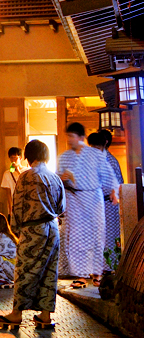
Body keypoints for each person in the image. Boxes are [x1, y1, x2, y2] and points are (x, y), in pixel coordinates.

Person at [0, 139, 65, 328]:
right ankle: (45, 316)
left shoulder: (26, 177)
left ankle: (17, 313)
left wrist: (16, 230)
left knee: (25, 270)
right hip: (53, 228)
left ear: (28, 156)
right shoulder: (55, 177)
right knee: (49, 271)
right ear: (46, 156)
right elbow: (62, 207)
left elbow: (17, 207)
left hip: (33, 229)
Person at [57, 123, 118, 288]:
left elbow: (112, 178)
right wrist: (63, 179)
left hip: (98, 201)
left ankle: (99, 274)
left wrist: (113, 193)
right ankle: (82, 275)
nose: (69, 140)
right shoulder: (68, 157)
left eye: (72, 136)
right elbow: (59, 178)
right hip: (77, 201)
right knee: (78, 238)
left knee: (98, 238)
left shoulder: (100, 157)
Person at [88, 131, 122, 273]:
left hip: (108, 204)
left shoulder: (110, 160)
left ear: (104, 145)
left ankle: (109, 267)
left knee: (108, 236)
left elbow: (119, 183)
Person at [0, 147, 29, 220]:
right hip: (15, 206)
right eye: (11, 158)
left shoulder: (27, 171)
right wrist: (10, 208)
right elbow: (8, 193)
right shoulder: (7, 174)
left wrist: (18, 170)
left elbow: (27, 183)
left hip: (26, 204)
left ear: (20, 158)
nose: (13, 160)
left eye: (15, 158)